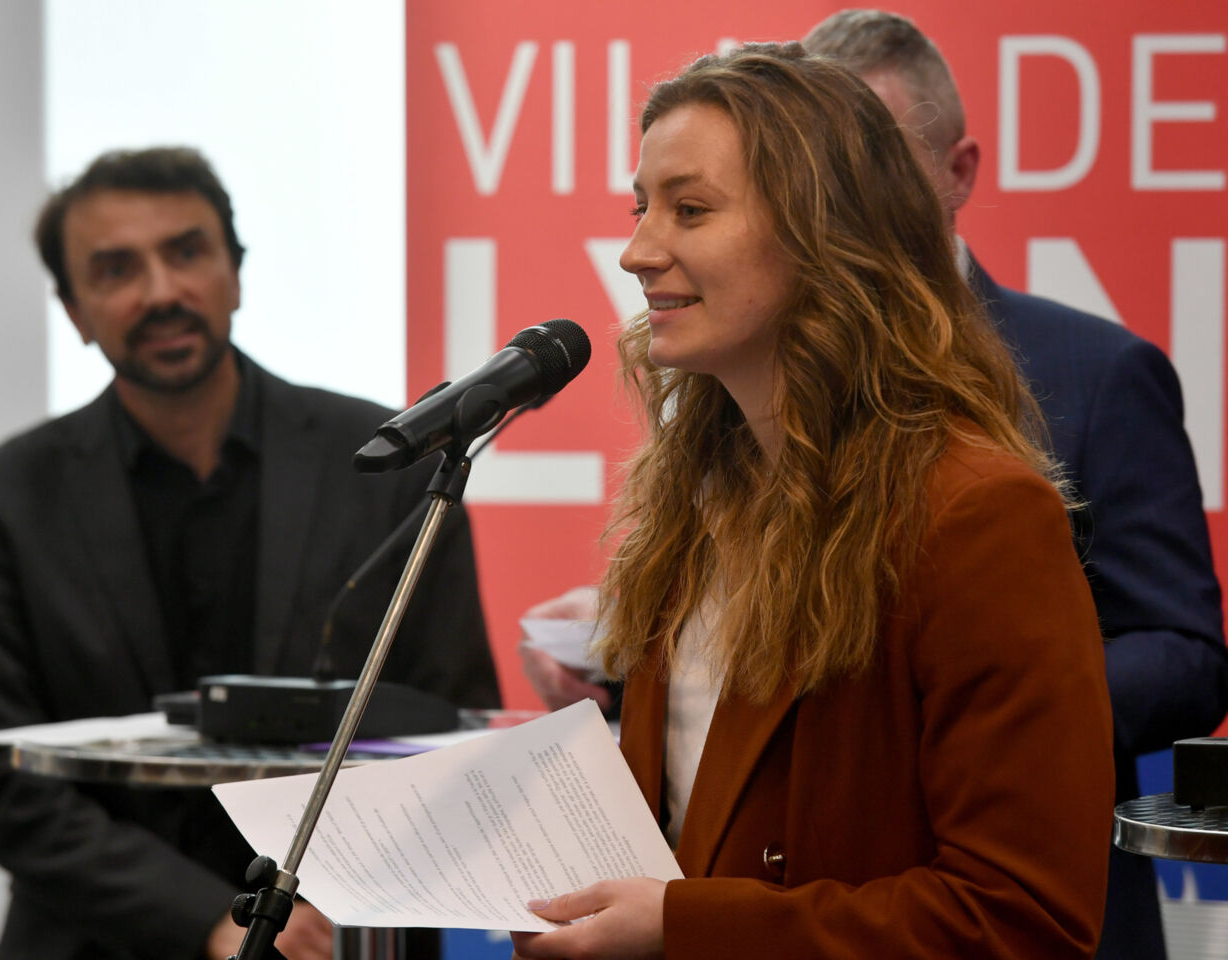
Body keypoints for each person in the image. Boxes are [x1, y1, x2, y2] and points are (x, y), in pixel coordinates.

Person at [511, 43, 1113, 959]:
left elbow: (1025, 919)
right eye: (641, 208)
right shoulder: (689, 509)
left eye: (691, 210)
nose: (637, 251)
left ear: (827, 231)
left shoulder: (978, 513)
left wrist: (682, 929)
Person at [0, 147, 500, 960]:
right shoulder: (9, 493)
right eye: (115, 268)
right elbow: (0, 777)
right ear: (73, 309)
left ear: (235, 273)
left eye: (187, 252)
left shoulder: (391, 462)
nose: (163, 292)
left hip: (334, 937)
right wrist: (206, 916)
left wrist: (306, 911)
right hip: (96, 940)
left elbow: (451, 731)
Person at [801, 13, 1227, 958]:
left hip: (1038, 913)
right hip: (810, 911)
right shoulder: (757, 388)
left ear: (960, 171)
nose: (845, 208)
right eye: (817, 177)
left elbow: (1185, 654)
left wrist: (973, 702)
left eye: (880, 165)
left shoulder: (1098, 371)